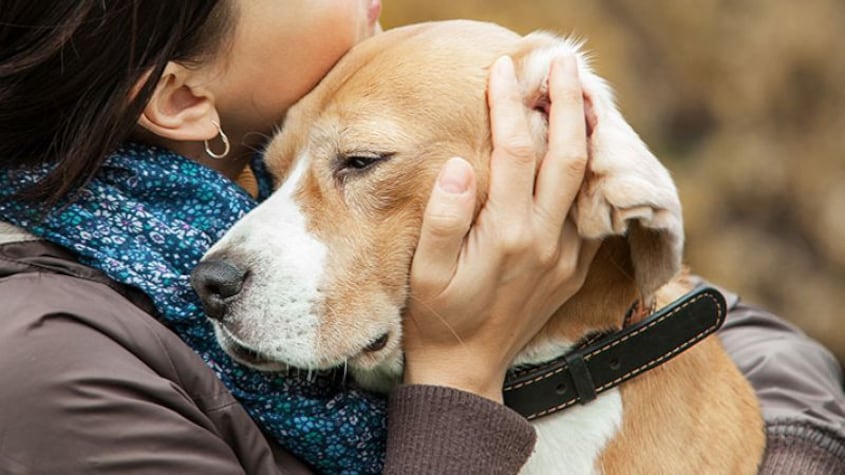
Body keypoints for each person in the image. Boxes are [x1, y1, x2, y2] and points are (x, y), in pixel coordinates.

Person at [0, 1, 842, 474]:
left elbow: (711, 322)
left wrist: (794, 451)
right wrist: (458, 373)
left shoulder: (245, 196)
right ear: (182, 98)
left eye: (356, 162)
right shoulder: (52, 362)